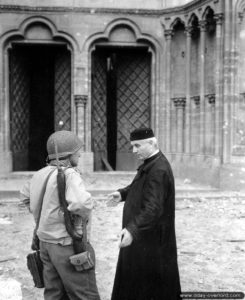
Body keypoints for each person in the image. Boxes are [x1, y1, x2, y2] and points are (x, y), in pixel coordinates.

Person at [20, 130, 100, 300]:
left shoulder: (39, 174)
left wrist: (44, 215)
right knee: (85, 294)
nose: (79, 157)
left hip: (45, 245)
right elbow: (81, 204)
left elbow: (25, 196)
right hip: (67, 245)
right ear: (68, 155)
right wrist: (89, 206)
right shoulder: (69, 174)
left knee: (54, 294)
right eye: (77, 153)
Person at [108, 127, 181, 300]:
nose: (134, 151)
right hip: (146, 236)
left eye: (138, 146)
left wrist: (133, 229)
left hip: (151, 239)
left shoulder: (158, 169)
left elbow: (153, 208)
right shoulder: (152, 163)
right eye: (132, 146)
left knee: (148, 285)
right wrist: (123, 194)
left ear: (152, 142)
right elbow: (140, 187)